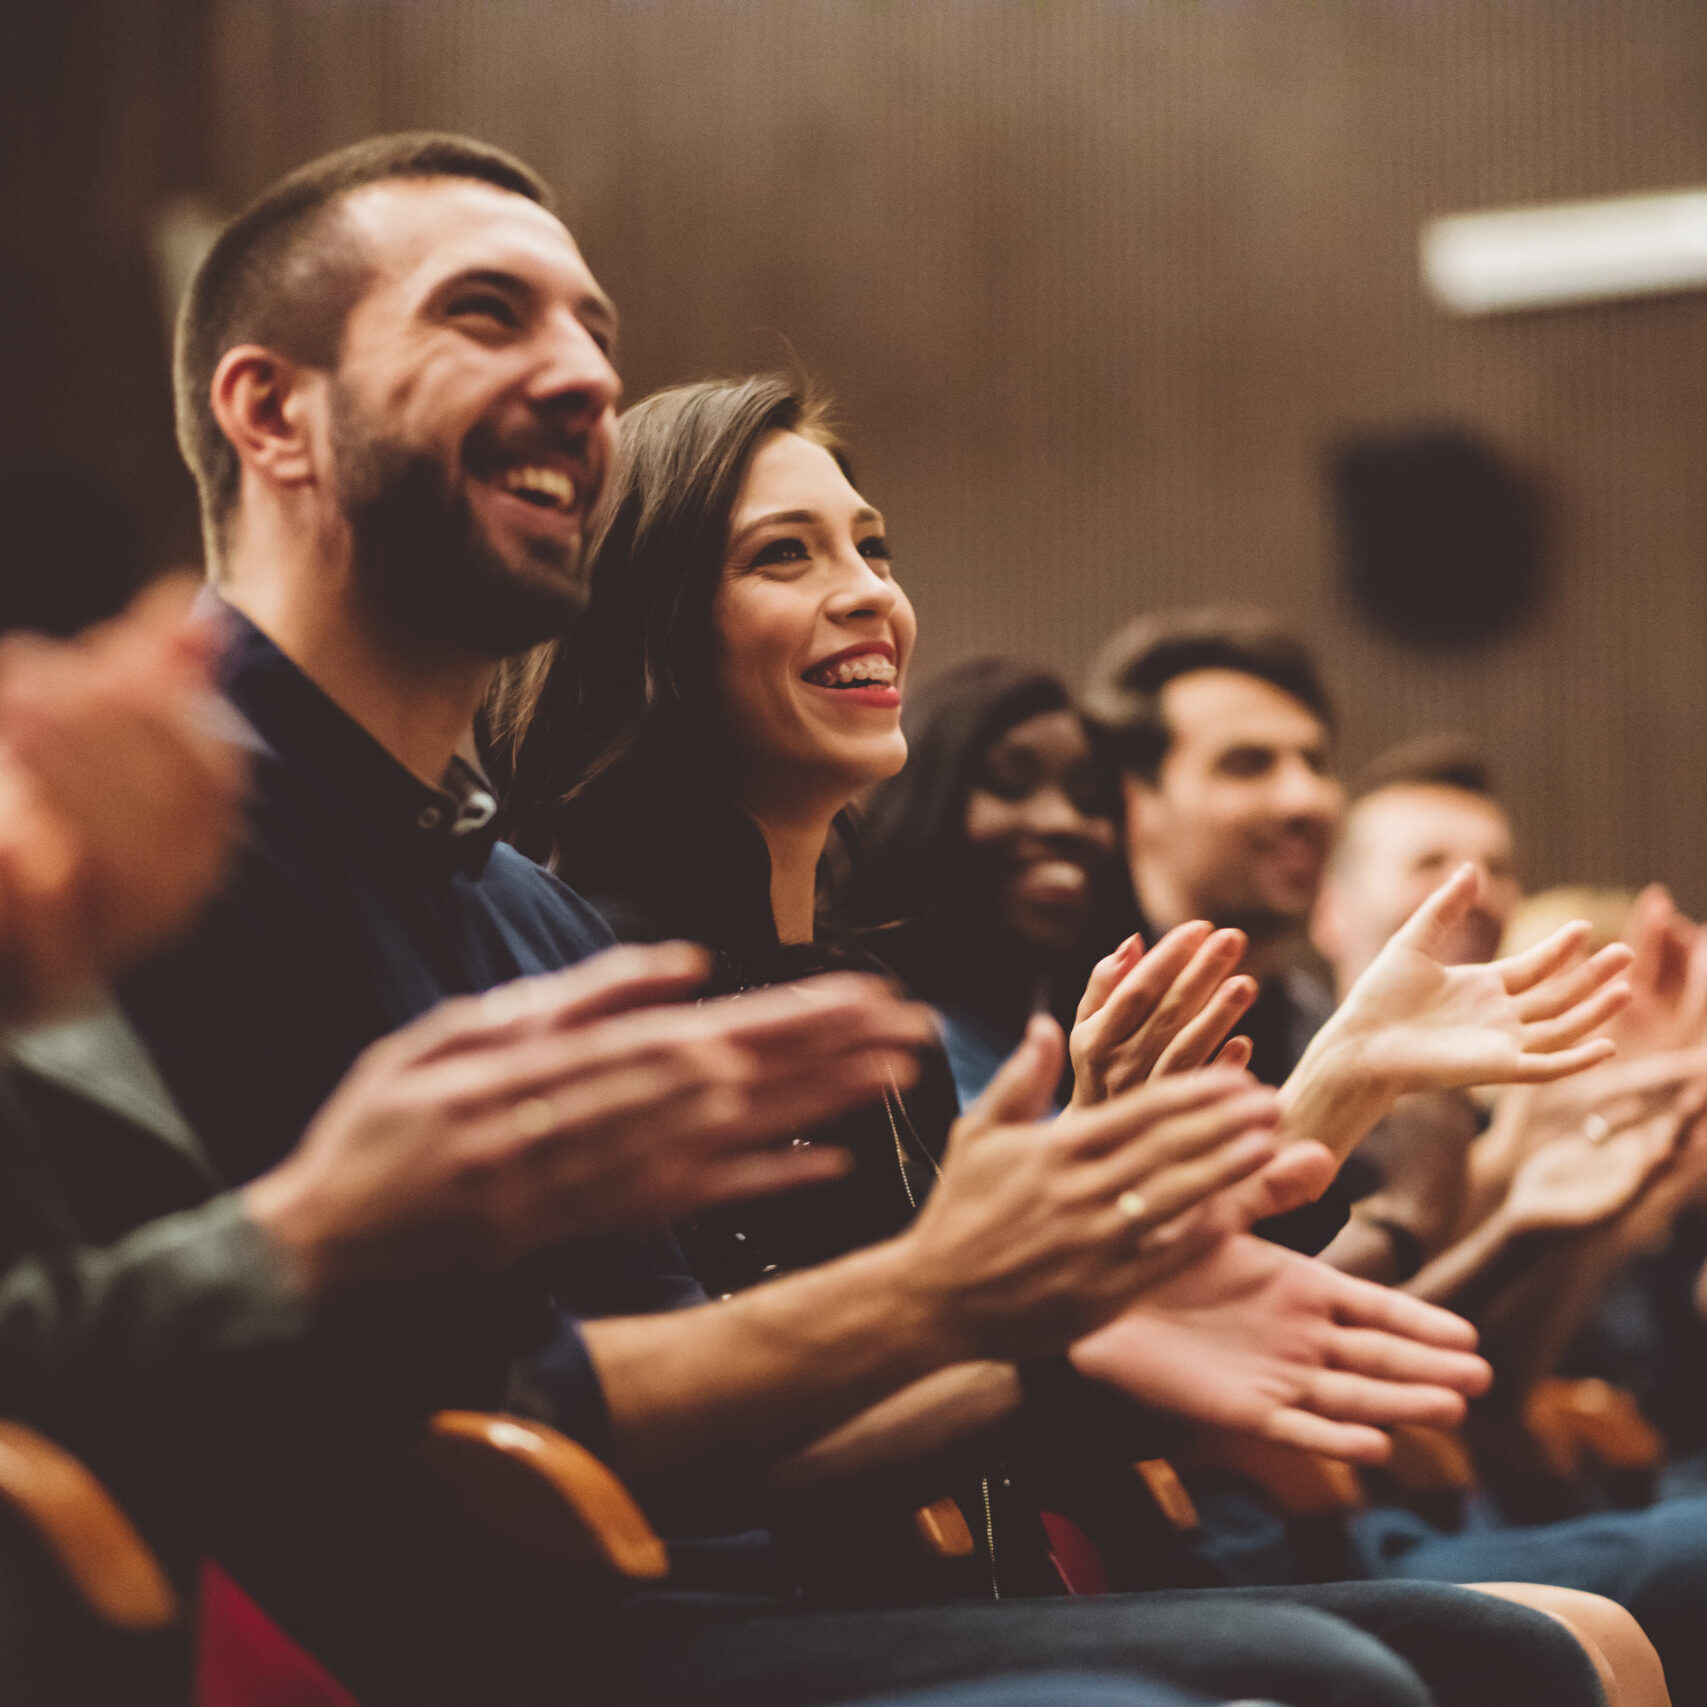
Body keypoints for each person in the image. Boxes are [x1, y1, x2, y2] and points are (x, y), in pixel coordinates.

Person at [96, 131, 1515, 1707]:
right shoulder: (166, 833)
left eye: (592, 329)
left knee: (1421, 1659)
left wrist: (1057, 1312)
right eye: (487, 314)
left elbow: (701, 1424)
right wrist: (978, 1295)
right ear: (270, 410)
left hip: (636, 1610)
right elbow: (351, 1454)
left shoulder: (526, 915)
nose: (577, 374)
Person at [500, 369, 1658, 1707]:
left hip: (960, 1589)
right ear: (651, 627)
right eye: (783, 553)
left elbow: (1043, 1377)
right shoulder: (601, 965)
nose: (868, 587)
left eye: (871, 545)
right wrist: (1126, 1220)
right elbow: (776, 1429)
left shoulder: (861, 995)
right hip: (747, 1620)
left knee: (1556, 1640)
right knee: (1376, 1672)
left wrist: (1318, 1091)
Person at [843, 659, 1255, 1112]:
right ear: (922, 806)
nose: (1064, 823)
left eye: (1090, 799)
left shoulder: (1099, 1058)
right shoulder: (852, 1056)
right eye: (1009, 784)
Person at [1081, 608, 1344, 1091]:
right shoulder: (1044, 1017)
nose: (1305, 799)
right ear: (1134, 801)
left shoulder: (1320, 1026)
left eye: (1315, 762)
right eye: (1247, 765)